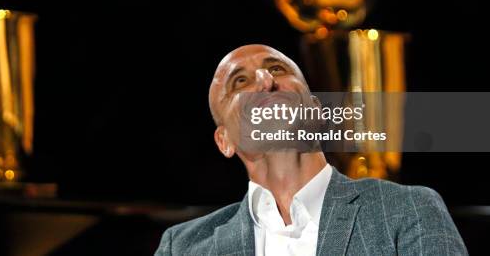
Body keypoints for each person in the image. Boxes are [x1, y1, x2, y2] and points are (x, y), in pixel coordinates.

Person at [155, 44, 467, 255]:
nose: (265, 82)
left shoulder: (407, 209)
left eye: (277, 70)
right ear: (225, 141)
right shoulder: (183, 246)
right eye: (239, 82)